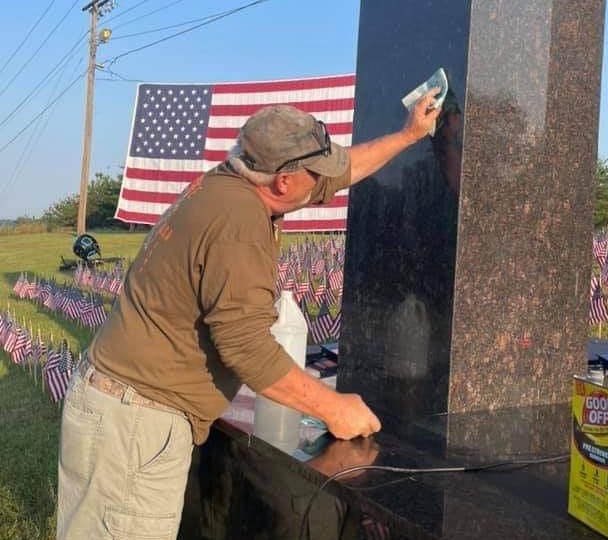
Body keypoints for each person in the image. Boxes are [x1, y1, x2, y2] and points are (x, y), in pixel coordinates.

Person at [56, 88, 441, 539]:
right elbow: (247, 348)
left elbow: (342, 171)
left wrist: (408, 136)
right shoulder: (238, 224)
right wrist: (334, 408)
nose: (325, 182)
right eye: (317, 172)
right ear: (284, 182)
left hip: (119, 410)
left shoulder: (236, 183)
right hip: (136, 425)